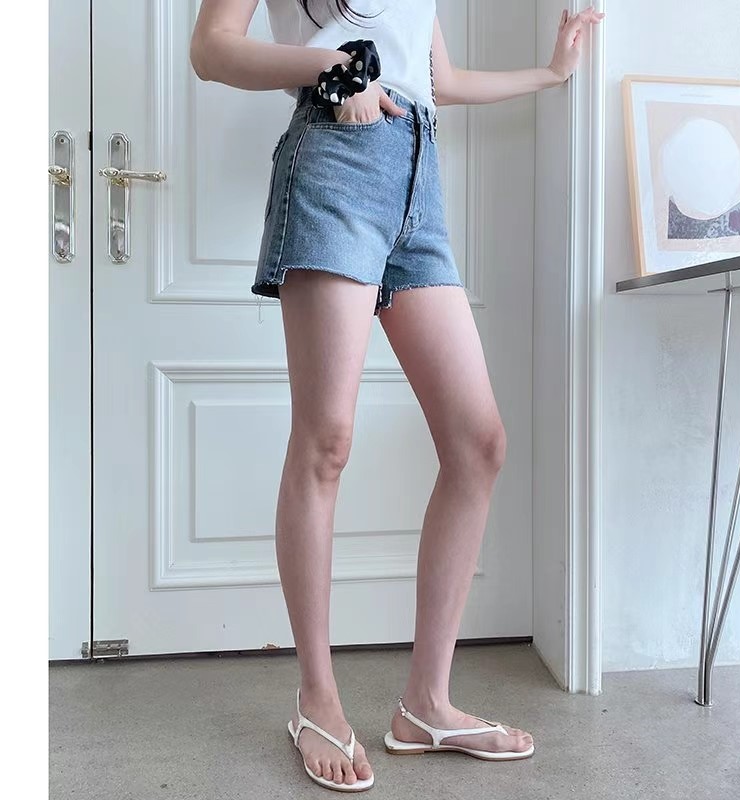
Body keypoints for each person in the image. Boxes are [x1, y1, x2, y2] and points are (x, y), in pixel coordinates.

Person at [190, 1, 604, 791]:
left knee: (478, 442)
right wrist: (331, 68)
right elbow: (211, 49)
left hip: (419, 171)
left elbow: (438, 77)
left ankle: (426, 704)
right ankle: (316, 699)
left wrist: (552, 74)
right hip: (336, 159)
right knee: (326, 440)